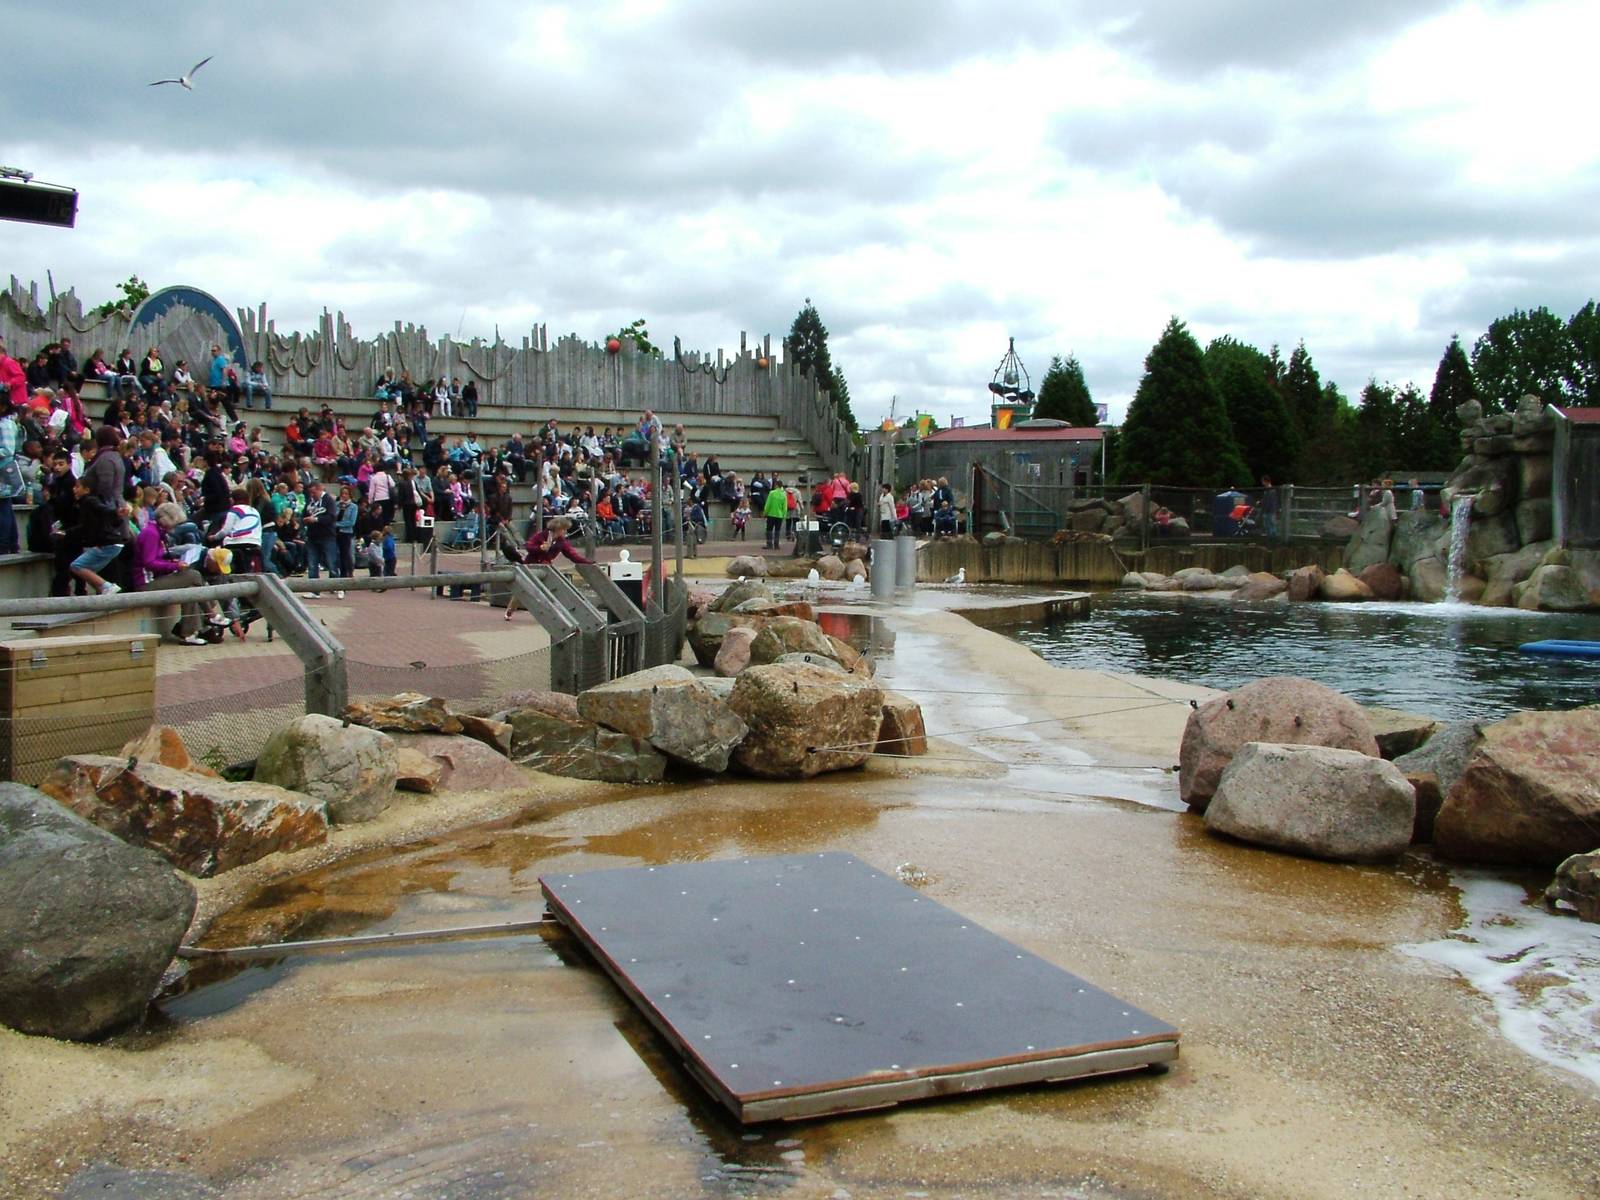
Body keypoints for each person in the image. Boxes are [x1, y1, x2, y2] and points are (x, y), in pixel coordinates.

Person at [504, 516, 592, 619]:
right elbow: (529, 547)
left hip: (546, 567)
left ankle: (554, 614)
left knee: (551, 589)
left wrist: (588, 562)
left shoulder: (561, 541)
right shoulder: (541, 535)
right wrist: (540, 548)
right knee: (523, 589)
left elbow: (572, 555)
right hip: (531, 565)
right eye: (564, 529)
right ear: (558, 529)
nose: (565, 532)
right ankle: (510, 610)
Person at [301, 480, 340, 594]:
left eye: (314, 493)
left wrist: (316, 519)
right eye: (310, 493)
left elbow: (332, 517)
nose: (312, 495)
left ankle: (335, 586)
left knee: (331, 562)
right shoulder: (310, 501)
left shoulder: (328, 500)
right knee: (312, 563)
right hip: (312, 536)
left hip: (327, 535)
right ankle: (314, 590)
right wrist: (304, 520)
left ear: (319, 489)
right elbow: (304, 513)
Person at [762, 476, 788, 549]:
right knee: (777, 531)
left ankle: (769, 544)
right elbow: (785, 507)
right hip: (779, 515)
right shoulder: (784, 494)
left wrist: (765, 513)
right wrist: (784, 515)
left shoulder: (772, 493)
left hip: (771, 514)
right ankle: (776, 545)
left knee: (769, 530)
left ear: (776, 485)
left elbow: (768, 504)